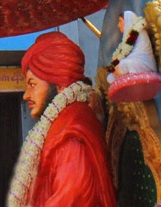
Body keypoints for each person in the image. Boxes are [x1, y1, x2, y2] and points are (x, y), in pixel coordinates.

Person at [8, 33, 116, 207]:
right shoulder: (64, 123)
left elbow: (71, 199)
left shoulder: (71, 131)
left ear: (59, 85)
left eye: (33, 84)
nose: (26, 94)